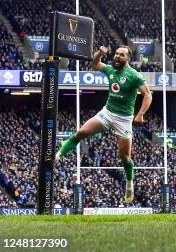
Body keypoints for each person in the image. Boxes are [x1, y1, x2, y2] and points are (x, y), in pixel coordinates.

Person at [56, 45, 152, 203]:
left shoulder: (134, 76)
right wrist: (100, 53)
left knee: (125, 157)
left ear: (128, 59)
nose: (117, 56)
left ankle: (129, 183)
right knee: (81, 133)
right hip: (107, 113)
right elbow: (95, 64)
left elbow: (147, 94)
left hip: (124, 119)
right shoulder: (110, 70)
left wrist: (140, 114)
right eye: (116, 53)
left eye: (121, 55)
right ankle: (58, 155)